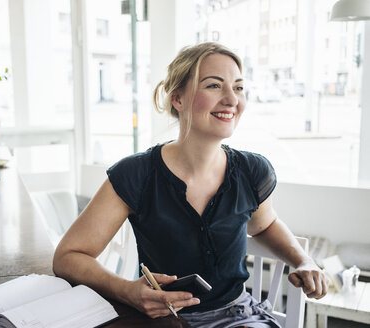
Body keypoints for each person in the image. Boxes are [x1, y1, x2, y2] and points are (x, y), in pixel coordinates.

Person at [53, 42, 327, 328]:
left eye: (239, 87)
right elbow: (68, 257)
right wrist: (127, 290)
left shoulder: (252, 171)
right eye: (214, 86)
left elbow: (265, 225)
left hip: (238, 318)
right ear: (178, 99)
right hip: (163, 319)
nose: (232, 99)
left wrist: (303, 260)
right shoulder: (136, 174)